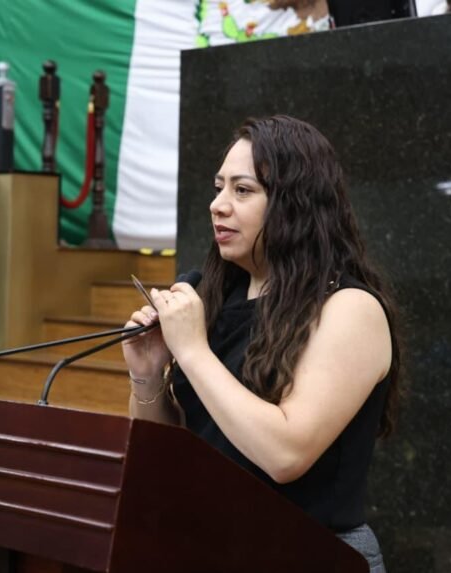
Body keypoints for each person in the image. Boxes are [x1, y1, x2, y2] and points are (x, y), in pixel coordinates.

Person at [122, 115, 399, 573]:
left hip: (312, 554)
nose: (218, 205)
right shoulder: (217, 295)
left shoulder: (350, 308)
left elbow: (286, 455)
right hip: (212, 548)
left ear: (296, 203)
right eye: (218, 188)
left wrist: (192, 352)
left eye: (243, 190)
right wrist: (148, 373)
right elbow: (167, 453)